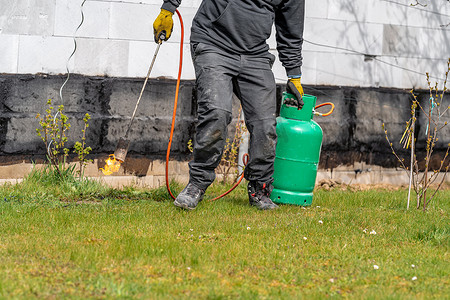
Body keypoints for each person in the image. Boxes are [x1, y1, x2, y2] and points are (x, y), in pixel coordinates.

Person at [153, 0, 305, 210]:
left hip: (255, 55)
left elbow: (291, 28)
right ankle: (197, 184)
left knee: (265, 126)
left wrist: (294, 74)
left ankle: (259, 189)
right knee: (216, 112)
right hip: (213, 42)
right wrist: (168, 9)